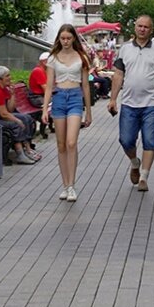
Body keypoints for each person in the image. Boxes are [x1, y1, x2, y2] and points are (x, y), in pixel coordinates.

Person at [108, 14, 154, 192]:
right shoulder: (125, 49)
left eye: (146, 27)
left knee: (150, 141)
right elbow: (118, 74)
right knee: (126, 140)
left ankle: (144, 175)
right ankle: (135, 162)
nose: (142, 29)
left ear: (151, 30)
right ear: (135, 27)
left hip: (151, 102)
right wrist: (113, 99)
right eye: (140, 26)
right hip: (129, 102)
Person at [41, 23, 93, 201]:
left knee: (72, 142)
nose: (65, 41)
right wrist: (44, 109)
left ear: (74, 39)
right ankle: (65, 185)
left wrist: (89, 111)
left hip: (75, 98)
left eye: (69, 38)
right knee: (61, 144)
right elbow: (49, 85)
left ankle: (72, 185)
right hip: (59, 98)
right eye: (62, 38)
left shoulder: (81, 57)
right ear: (58, 39)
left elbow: (86, 85)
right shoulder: (53, 58)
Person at [0, 66, 40, 164]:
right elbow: (4, 114)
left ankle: (28, 149)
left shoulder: (3, 89)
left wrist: (12, 95)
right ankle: (20, 154)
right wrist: (17, 120)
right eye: (7, 76)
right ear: (0, 79)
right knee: (15, 124)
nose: (10, 78)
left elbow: (9, 110)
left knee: (26, 118)